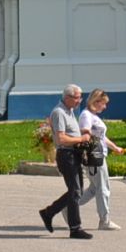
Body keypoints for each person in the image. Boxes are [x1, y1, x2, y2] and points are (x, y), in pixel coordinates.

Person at [35, 84, 92, 239]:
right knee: (75, 191)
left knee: (77, 191)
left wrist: (84, 137)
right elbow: (61, 138)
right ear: (67, 97)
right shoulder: (59, 112)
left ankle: (48, 212)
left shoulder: (70, 111)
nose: (80, 101)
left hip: (74, 154)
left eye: (80, 97)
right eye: (77, 97)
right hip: (66, 156)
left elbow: (71, 133)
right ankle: (75, 228)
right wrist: (81, 138)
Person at [77, 88, 126, 231]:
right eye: (103, 103)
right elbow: (85, 134)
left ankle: (69, 207)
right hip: (94, 156)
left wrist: (115, 148)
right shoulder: (87, 115)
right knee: (103, 187)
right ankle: (104, 221)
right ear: (96, 101)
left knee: (94, 188)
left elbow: (101, 137)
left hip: (97, 155)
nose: (104, 107)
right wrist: (88, 153)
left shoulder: (93, 116)